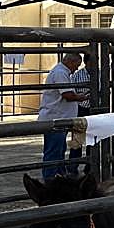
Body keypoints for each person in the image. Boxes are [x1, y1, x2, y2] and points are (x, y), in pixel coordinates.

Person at [38, 51, 86, 179]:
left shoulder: (62, 72)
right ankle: (50, 178)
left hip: (59, 118)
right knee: (54, 151)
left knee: (58, 150)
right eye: (77, 64)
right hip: (56, 118)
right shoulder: (60, 73)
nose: (76, 68)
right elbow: (67, 95)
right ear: (70, 62)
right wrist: (80, 97)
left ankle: (58, 175)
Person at [67, 51, 98, 170]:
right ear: (86, 63)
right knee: (77, 140)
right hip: (81, 109)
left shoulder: (100, 74)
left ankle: (90, 166)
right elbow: (71, 93)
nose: (95, 65)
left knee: (93, 139)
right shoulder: (76, 76)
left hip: (95, 109)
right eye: (92, 62)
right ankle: (73, 166)